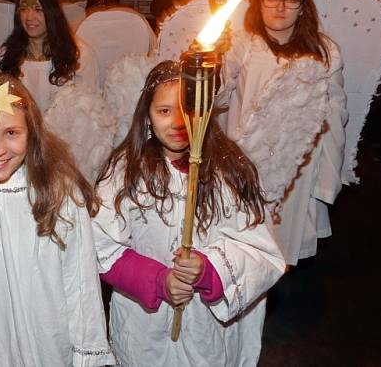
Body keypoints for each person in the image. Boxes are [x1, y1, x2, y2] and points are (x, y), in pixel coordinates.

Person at [92, 60, 285, 365]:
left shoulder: (229, 172)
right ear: (147, 117)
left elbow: (263, 253)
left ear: (206, 111)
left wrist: (210, 270)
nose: (178, 122)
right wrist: (158, 281)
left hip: (207, 331)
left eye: (188, 108)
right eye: (164, 111)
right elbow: (100, 245)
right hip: (144, 327)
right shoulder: (125, 172)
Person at [0, 73, 114, 366]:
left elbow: (81, 285)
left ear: (32, 133)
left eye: (11, 133)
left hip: (51, 349)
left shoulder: (59, 194)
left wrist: (86, 354)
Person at [219, 0, 348, 265]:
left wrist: (325, 175)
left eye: (291, 1)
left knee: (284, 241)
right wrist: (211, 65)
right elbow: (219, 100)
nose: (280, 8)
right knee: (245, 244)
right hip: (247, 155)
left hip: (297, 162)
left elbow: (335, 112)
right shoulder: (243, 44)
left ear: (303, 7)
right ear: (259, 3)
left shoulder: (324, 50)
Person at [0, 0, 98, 111]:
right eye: (24, 9)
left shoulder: (78, 54)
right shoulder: (7, 53)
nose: (29, 17)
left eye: (38, 9)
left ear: (51, 13)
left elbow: (89, 109)